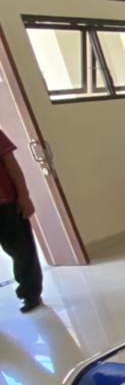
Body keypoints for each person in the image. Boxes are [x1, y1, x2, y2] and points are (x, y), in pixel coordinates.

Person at [0, 127, 43, 314]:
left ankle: (30, 293)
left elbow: (11, 163)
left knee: (22, 250)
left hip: (6, 203)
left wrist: (24, 196)